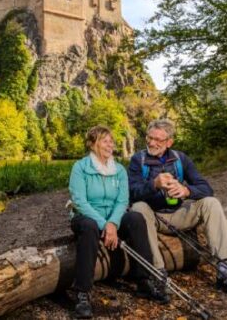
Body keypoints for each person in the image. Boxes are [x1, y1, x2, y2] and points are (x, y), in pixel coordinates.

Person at [127, 119, 227, 300]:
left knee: (211, 202)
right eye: (149, 138)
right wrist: (153, 184)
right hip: (153, 217)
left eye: (158, 140)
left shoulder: (180, 159)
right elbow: (131, 193)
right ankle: (157, 275)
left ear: (170, 142)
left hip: (180, 214)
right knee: (138, 208)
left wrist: (186, 190)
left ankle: (225, 273)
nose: (152, 143)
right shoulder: (137, 160)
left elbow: (206, 188)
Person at [68, 125, 169, 319]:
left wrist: (113, 223)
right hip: (86, 217)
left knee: (136, 218)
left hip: (112, 218)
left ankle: (144, 281)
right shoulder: (80, 167)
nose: (110, 144)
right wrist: (104, 224)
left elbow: (123, 200)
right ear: (93, 143)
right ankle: (83, 293)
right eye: (104, 140)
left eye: (111, 140)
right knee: (88, 226)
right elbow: (79, 202)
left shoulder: (119, 170)